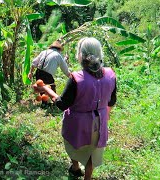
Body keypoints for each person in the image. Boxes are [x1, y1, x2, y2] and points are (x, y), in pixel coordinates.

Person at [33, 37, 117, 180]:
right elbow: (112, 101)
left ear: (80, 55)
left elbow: (62, 104)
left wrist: (45, 89)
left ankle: (76, 167)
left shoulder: (76, 79)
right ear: (100, 54)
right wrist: (105, 116)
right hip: (100, 121)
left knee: (74, 144)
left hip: (78, 122)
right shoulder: (111, 74)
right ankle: (87, 177)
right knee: (92, 152)